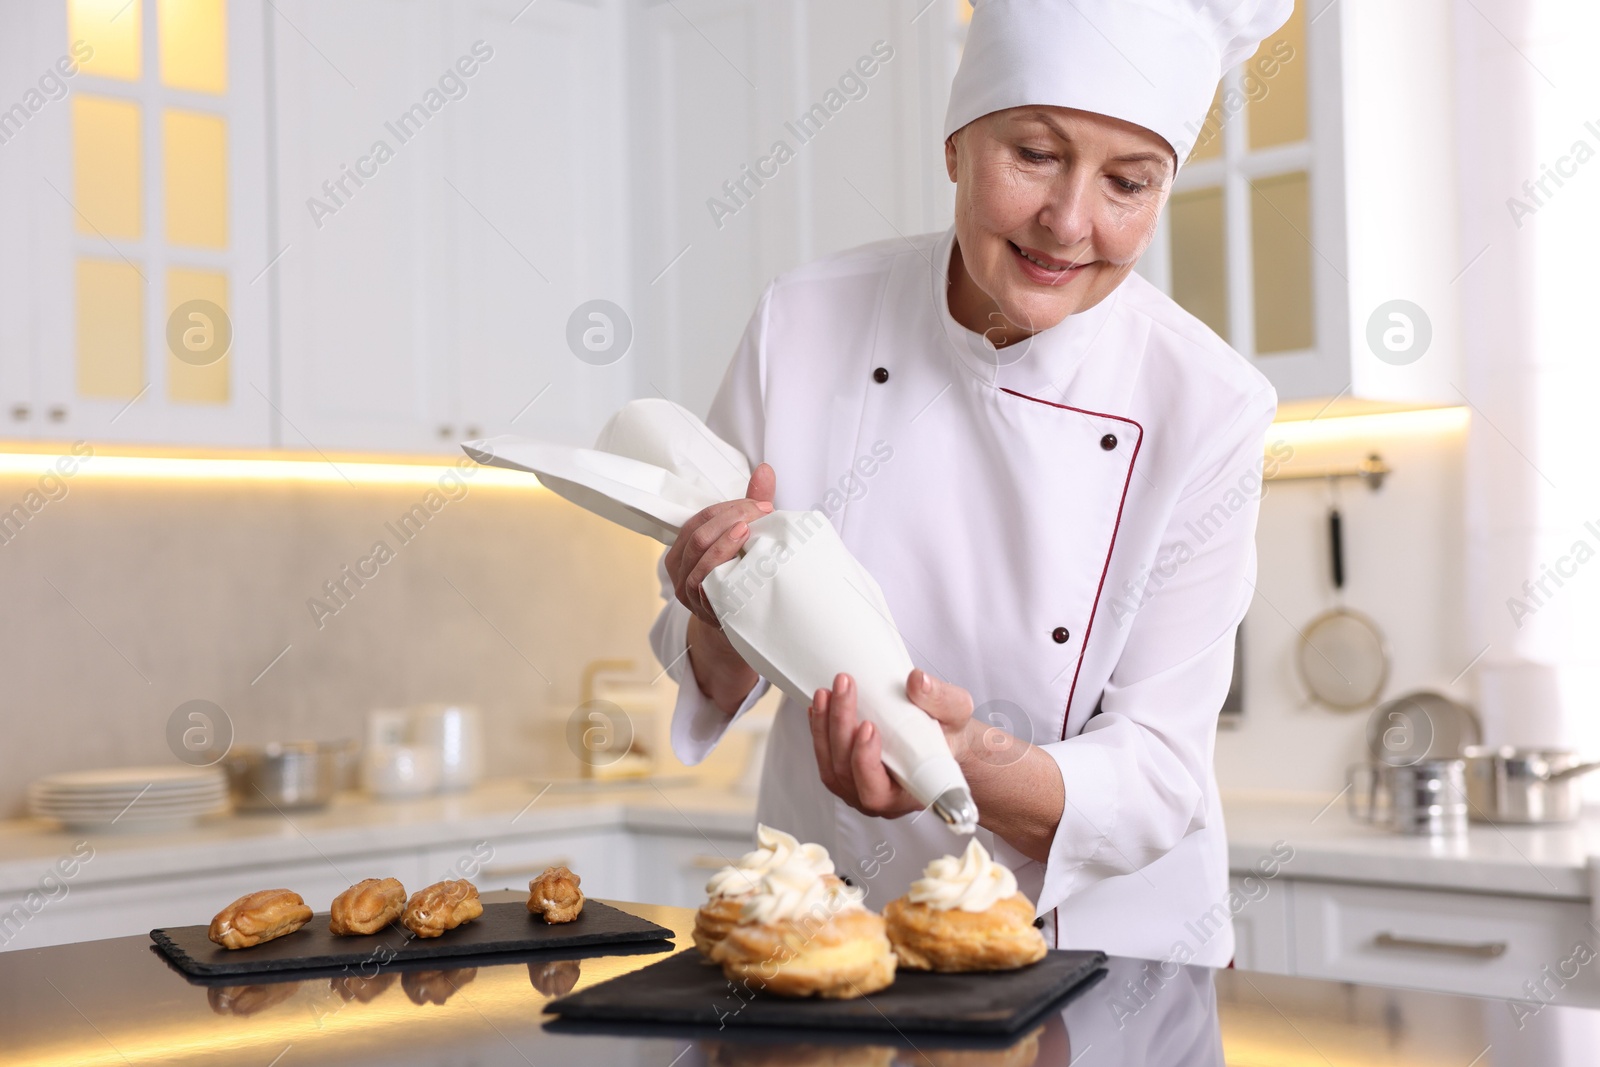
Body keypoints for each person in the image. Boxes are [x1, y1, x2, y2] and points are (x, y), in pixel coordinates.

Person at [650, 0, 1292, 965]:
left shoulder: (1208, 403)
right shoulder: (806, 320)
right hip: (831, 926)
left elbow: (1159, 775)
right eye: (1033, 154)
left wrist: (957, 758)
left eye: (1127, 182)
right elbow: (715, 658)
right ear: (957, 144)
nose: (1068, 222)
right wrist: (711, 602)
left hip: (1107, 955)